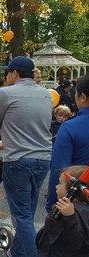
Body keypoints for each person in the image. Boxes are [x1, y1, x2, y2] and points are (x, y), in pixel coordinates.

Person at [0, 56, 53, 257]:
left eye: (7, 72)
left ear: (15, 73)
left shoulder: (5, 93)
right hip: (43, 159)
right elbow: (32, 126)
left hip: (19, 160)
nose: (6, 76)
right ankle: (18, 251)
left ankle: (29, 254)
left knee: (22, 216)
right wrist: (7, 140)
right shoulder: (46, 94)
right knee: (27, 211)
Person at [45, 75, 89, 212]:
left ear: (82, 97)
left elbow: (60, 170)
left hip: (79, 202)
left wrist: (53, 205)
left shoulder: (70, 127)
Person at [36, 165, 89, 257]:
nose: (56, 187)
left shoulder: (73, 213)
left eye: (60, 183)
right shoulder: (81, 209)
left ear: (72, 191)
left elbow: (76, 245)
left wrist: (70, 217)